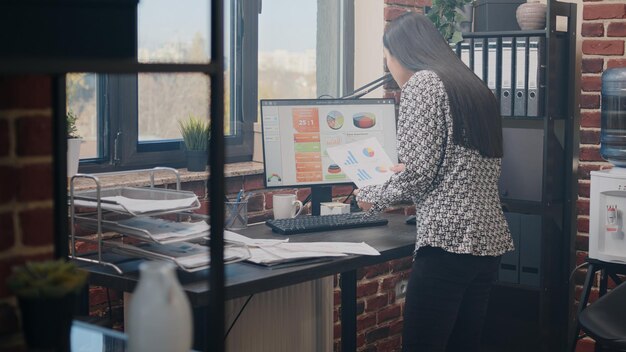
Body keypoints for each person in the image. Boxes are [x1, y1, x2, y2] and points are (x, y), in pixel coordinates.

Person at [354, 12, 514, 352]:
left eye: (387, 59)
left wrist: (371, 196)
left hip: (447, 243)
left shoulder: (423, 85)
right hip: (486, 244)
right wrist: (409, 170)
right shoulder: (472, 87)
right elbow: (464, 164)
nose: (390, 70)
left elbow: (419, 173)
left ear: (399, 54)